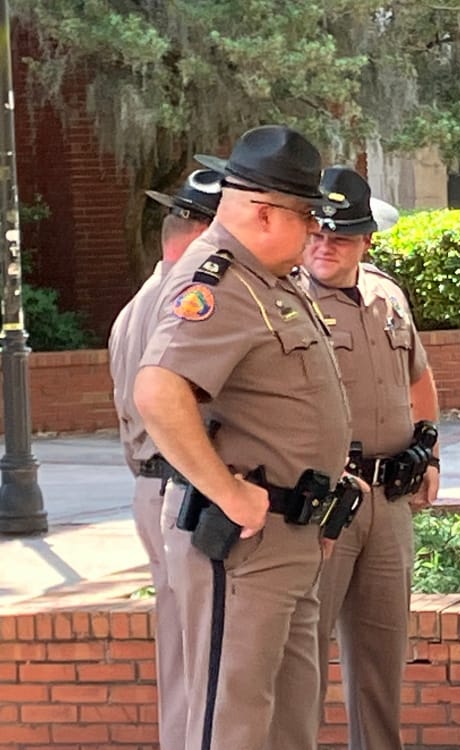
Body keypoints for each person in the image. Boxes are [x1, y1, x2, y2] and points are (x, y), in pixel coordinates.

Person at [133, 124, 352, 750]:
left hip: (292, 537)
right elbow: (159, 392)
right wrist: (228, 494)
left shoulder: (270, 280)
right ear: (264, 212)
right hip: (246, 546)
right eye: (309, 216)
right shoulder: (220, 280)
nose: (318, 231)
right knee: (232, 725)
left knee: (285, 725)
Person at [300, 166, 440, 750]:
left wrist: (429, 451)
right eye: (316, 233)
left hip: (390, 500)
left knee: (381, 664)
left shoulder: (387, 295)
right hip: (326, 501)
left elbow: (421, 378)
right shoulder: (289, 303)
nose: (324, 246)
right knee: (301, 661)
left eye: (340, 236)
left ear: (367, 240)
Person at [108, 169, 220, 750]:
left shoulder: (140, 303)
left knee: (182, 659)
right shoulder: (187, 303)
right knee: (205, 661)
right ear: (203, 231)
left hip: (157, 488)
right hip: (185, 490)